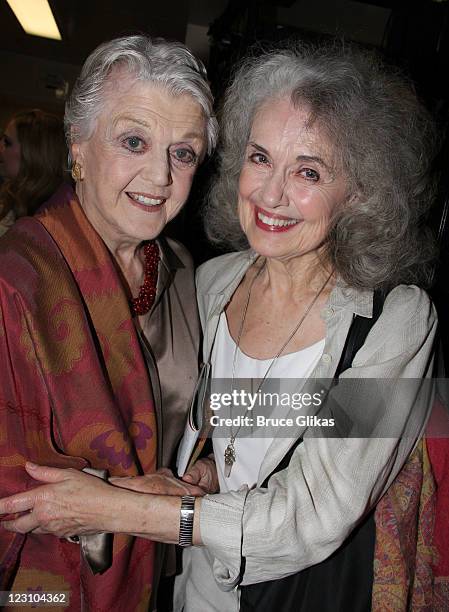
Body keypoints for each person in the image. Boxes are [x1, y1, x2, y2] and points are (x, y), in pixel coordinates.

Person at [0, 44, 439, 611]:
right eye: (260, 158)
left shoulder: (396, 320)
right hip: (187, 589)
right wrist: (205, 471)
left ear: (358, 191)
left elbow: (315, 513)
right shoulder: (210, 283)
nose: (271, 193)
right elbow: (240, 421)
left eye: (309, 170)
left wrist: (117, 509)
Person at [0, 35, 217, 611]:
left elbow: (202, 407)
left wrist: (208, 465)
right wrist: (131, 497)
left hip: (155, 579)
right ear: (78, 145)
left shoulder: (182, 269)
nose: (161, 177)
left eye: (184, 152)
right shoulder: (16, 280)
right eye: (133, 141)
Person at [0, 109, 67, 236]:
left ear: (32, 154)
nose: (0, 147)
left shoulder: (44, 220)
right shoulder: (14, 198)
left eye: (7, 142)